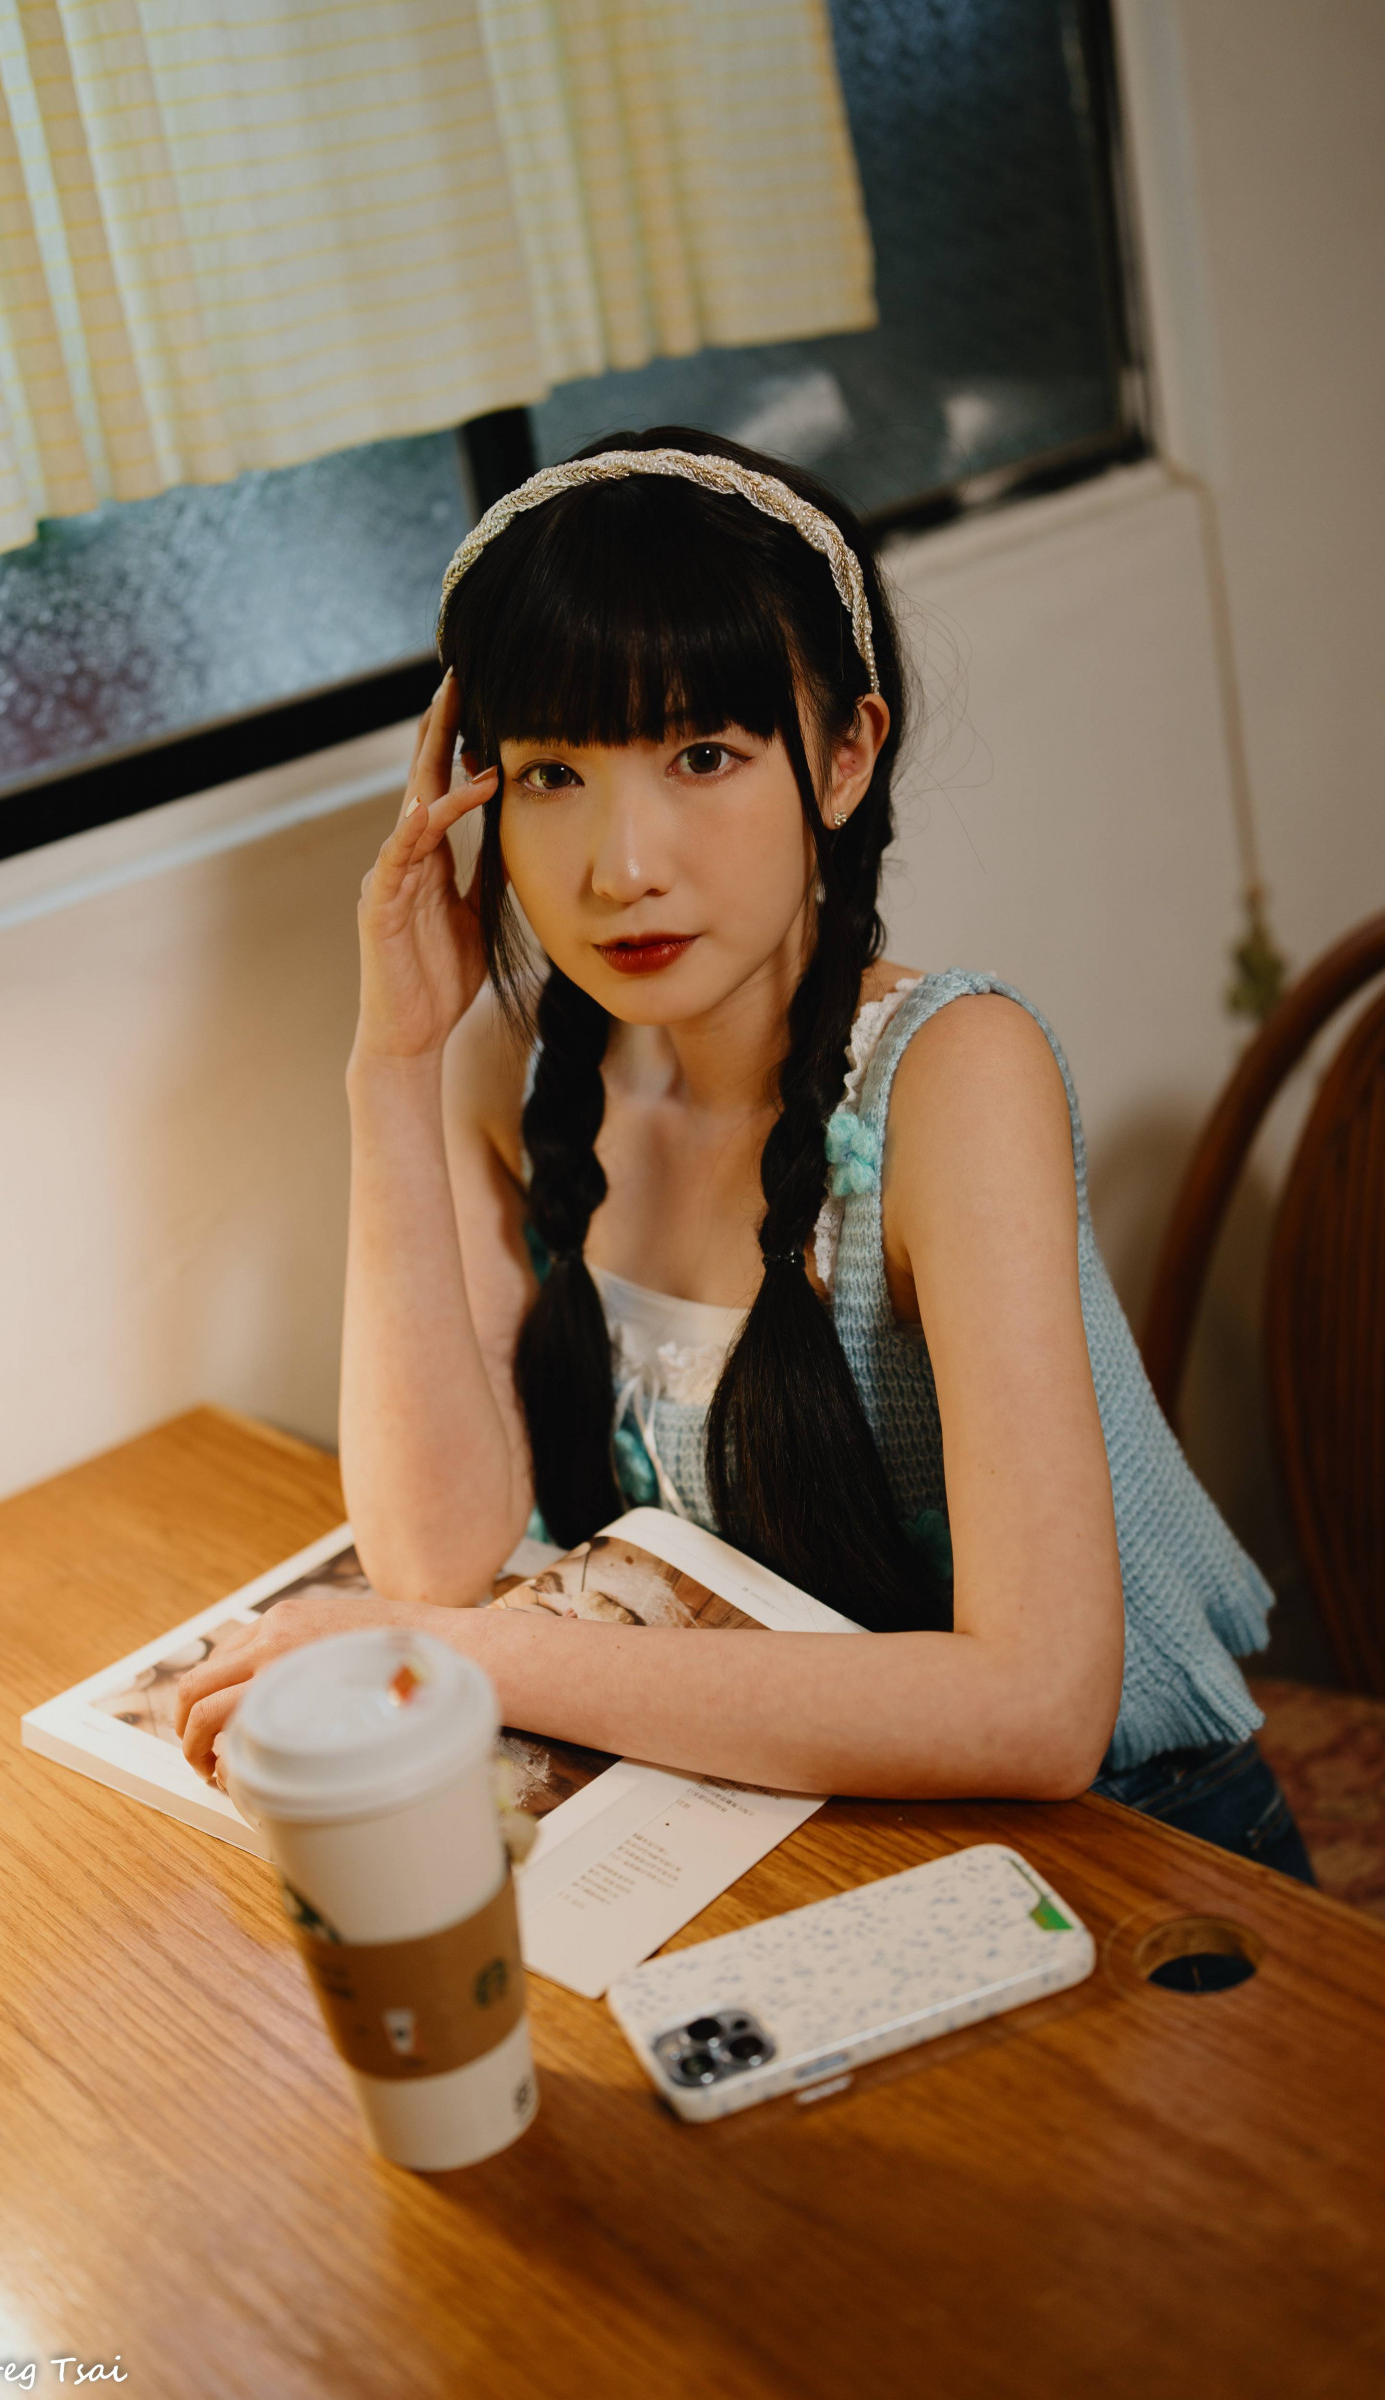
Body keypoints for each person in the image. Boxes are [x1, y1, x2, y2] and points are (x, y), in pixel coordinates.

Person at [177, 429, 1312, 1881]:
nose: (622, 867)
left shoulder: (954, 1078)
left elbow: (1039, 1708)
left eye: (702, 755)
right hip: (799, 1831)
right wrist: (390, 1068)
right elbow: (433, 1553)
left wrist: (446, 1653)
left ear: (845, 757)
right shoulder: (511, 1073)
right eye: (553, 773)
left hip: (1128, 1844)